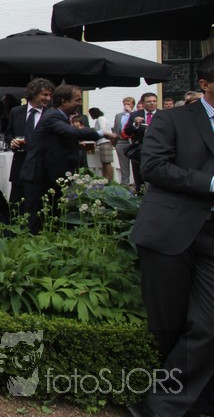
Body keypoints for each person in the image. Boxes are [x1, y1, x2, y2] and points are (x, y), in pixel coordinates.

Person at [127, 54, 214, 417]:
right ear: (205, 84)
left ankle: (160, 406)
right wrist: (210, 183)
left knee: (208, 324)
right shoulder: (172, 119)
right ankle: (196, 402)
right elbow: (153, 167)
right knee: (169, 325)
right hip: (170, 232)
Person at [19, 84, 114, 234]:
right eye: (77, 100)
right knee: (34, 220)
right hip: (38, 175)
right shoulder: (53, 116)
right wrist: (101, 133)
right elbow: (70, 132)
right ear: (64, 101)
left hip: (48, 175)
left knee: (51, 217)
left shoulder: (59, 116)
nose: (80, 103)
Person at [5, 78, 54, 218]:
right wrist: (12, 141)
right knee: (16, 206)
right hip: (19, 166)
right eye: (44, 95)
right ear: (33, 94)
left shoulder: (51, 114)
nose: (48, 98)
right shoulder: (16, 112)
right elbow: (9, 133)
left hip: (40, 168)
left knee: (36, 208)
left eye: (49, 95)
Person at [124, 92, 159, 193]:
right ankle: (140, 192)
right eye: (149, 101)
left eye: (154, 101)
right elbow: (127, 132)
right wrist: (135, 124)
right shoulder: (135, 115)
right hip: (140, 149)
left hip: (158, 148)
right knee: (138, 173)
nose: (152, 103)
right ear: (143, 103)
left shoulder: (163, 114)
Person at [113, 96, 135, 187]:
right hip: (121, 141)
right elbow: (115, 129)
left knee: (135, 163)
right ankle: (125, 183)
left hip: (132, 141)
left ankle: (136, 183)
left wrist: (131, 113)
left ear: (133, 105)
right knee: (123, 164)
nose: (126, 106)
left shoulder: (135, 114)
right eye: (125, 104)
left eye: (128, 104)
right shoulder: (119, 116)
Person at [88, 107, 114, 179]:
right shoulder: (101, 119)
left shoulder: (100, 119)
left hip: (105, 142)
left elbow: (102, 130)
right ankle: (106, 178)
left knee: (107, 162)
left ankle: (109, 179)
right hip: (103, 142)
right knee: (104, 162)